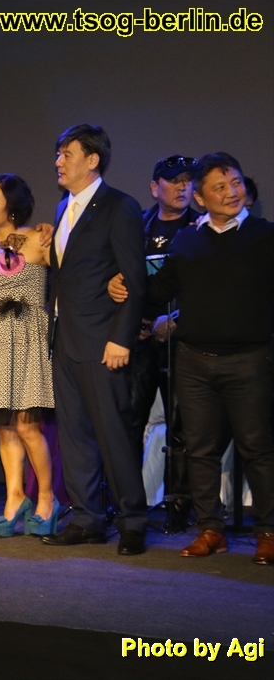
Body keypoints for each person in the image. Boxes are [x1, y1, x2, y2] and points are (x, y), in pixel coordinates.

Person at [109, 153, 274, 565]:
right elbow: (161, 287)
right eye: (220, 187)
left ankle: (268, 531)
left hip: (249, 360)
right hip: (194, 361)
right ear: (201, 198)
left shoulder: (265, 236)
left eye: (235, 183)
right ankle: (210, 529)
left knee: (257, 448)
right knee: (199, 449)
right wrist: (123, 283)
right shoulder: (187, 240)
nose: (231, 192)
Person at [42, 124, 149, 556]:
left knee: (113, 435)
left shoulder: (119, 206)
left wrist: (121, 338)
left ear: (92, 160)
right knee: (74, 436)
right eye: (58, 154)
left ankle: (132, 521)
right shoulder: (63, 207)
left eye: (66, 154)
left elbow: (134, 279)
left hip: (103, 342)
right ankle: (87, 519)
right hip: (65, 340)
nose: (58, 162)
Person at [0, 174, 57, 537]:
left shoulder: (39, 239)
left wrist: (54, 231)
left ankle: (47, 497)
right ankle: (14, 497)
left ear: (12, 204)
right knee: (5, 428)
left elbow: (69, 276)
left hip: (30, 335)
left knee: (27, 426)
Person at [132, 155, 198, 532]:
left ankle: (179, 507)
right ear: (155, 187)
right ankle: (130, 507)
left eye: (188, 180)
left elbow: (209, 289)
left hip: (182, 341)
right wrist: (135, 324)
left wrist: (174, 321)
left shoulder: (200, 228)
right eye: (174, 180)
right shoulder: (136, 225)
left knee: (181, 429)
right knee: (130, 421)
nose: (183, 186)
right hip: (139, 341)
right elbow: (120, 277)